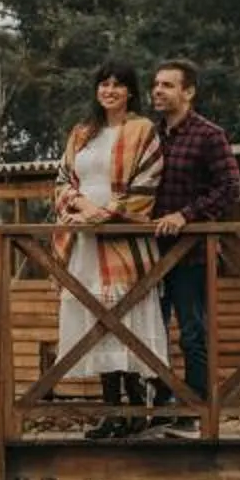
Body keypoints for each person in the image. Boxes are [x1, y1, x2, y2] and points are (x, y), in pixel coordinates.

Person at [54, 62, 170, 437]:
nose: (109, 90)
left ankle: (135, 410)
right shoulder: (82, 133)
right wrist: (81, 207)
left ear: (130, 92)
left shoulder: (143, 130)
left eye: (118, 85)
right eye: (103, 84)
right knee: (95, 318)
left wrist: (103, 214)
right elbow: (63, 179)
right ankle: (111, 411)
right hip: (85, 243)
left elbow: (147, 183)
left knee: (125, 316)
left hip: (124, 241)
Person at [147, 59, 240, 426]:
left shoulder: (209, 135)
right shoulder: (149, 136)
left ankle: (195, 411)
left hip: (192, 253)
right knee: (150, 331)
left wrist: (185, 216)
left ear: (188, 92)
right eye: (156, 84)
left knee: (192, 332)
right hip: (150, 252)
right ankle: (160, 406)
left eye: (167, 85)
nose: (158, 90)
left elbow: (230, 188)